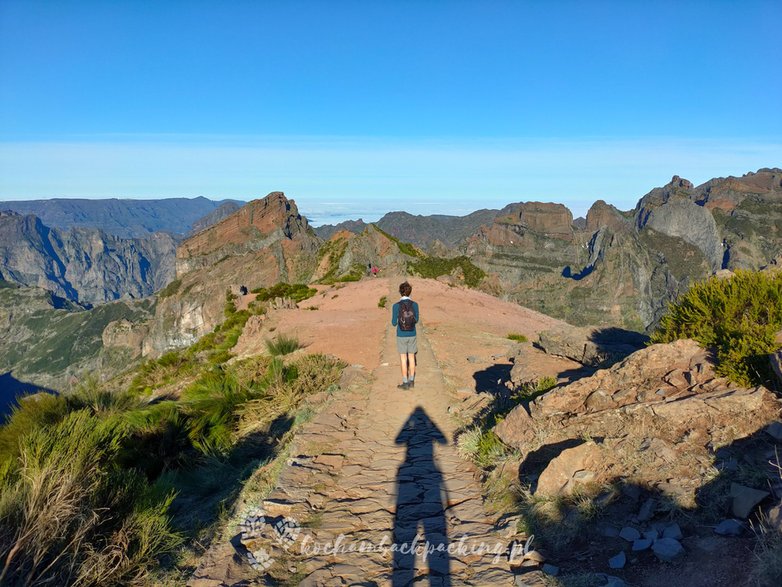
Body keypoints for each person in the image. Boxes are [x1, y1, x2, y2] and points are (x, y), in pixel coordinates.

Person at [391, 281, 419, 390]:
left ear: (400, 292)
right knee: (411, 357)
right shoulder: (415, 305)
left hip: (401, 334)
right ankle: (412, 381)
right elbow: (416, 320)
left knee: (403, 358)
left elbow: (393, 323)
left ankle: (405, 382)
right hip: (412, 333)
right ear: (410, 292)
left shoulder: (396, 306)